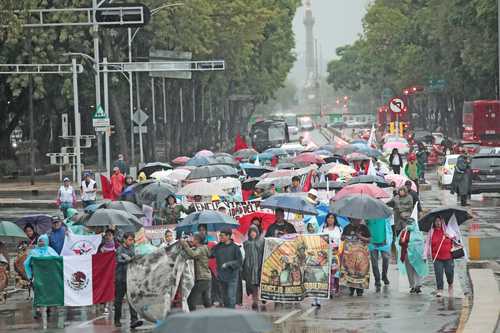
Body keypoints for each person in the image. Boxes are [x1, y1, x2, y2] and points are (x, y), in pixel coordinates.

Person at [23, 234, 58, 319]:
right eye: (39, 240)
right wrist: (29, 275)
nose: (41, 242)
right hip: (37, 277)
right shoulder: (34, 252)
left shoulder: (51, 250)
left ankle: (48, 307)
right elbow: (26, 263)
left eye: (42, 240)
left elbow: (58, 260)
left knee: (48, 293)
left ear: (46, 241)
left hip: (49, 277)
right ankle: (38, 310)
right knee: (38, 293)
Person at [114, 232, 142, 329]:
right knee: (118, 301)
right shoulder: (119, 249)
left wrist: (135, 259)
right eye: (130, 239)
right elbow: (118, 260)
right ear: (124, 239)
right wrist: (128, 260)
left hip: (130, 278)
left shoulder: (132, 248)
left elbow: (134, 259)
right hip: (120, 279)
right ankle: (117, 320)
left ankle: (134, 320)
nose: (131, 241)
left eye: (132, 240)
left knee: (132, 300)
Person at [210, 228, 242, 308]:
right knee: (224, 297)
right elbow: (209, 255)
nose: (220, 237)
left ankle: (231, 315)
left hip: (232, 276)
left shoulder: (235, 247)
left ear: (228, 236)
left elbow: (239, 262)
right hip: (221, 276)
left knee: (231, 296)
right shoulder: (217, 247)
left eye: (222, 236)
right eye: (220, 235)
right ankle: (227, 313)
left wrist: (228, 264)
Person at [424, 216, 455, 297]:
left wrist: (449, 236)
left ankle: (450, 284)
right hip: (437, 257)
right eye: (436, 221)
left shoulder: (447, 230)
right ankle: (440, 289)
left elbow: (455, 238)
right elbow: (427, 244)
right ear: (434, 223)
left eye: (439, 221)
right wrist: (425, 256)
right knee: (438, 274)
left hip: (448, 256)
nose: (438, 223)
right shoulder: (431, 232)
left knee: (449, 272)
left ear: (442, 222)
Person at [180, 234, 212, 311]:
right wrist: (189, 246)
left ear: (197, 241)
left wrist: (185, 245)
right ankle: (212, 316)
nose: (191, 240)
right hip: (206, 278)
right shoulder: (204, 247)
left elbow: (193, 254)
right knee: (206, 301)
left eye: (193, 239)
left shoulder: (200, 249)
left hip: (202, 279)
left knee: (190, 301)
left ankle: (194, 318)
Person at [397, 218, 428, 294]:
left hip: (418, 254)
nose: (410, 225)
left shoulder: (418, 232)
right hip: (407, 253)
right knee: (409, 270)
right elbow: (400, 242)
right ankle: (412, 285)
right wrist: (402, 241)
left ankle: (418, 285)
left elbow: (422, 243)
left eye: (411, 223)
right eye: (408, 223)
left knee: (418, 270)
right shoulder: (404, 232)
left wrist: (423, 254)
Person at [341, 218, 371, 296]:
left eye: (360, 219)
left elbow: (369, 239)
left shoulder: (364, 228)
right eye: (357, 219)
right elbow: (342, 237)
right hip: (350, 254)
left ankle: (360, 290)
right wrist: (344, 237)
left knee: (361, 270)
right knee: (350, 270)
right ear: (352, 219)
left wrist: (360, 237)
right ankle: (351, 289)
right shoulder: (347, 227)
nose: (359, 220)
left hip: (362, 254)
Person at [367, 217, 392, 292]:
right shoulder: (368, 216)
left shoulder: (385, 216)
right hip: (372, 242)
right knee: (374, 263)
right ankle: (377, 280)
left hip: (384, 242)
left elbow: (390, 227)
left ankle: (384, 275)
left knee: (386, 258)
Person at [242, 225, 264, 310]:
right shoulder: (246, 244)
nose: (253, 234)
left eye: (254, 232)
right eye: (251, 232)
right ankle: (255, 300)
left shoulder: (261, 242)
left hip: (259, 266)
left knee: (258, 284)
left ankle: (258, 299)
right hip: (249, 267)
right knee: (252, 284)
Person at [323, 214, 342, 295]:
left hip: (337, 253)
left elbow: (341, 241)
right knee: (329, 272)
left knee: (336, 271)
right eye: (329, 218)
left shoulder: (339, 229)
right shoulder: (324, 229)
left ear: (335, 219)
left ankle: (336, 287)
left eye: (332, 218)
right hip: (327, 253)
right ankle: (330, 289)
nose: (330, 219)